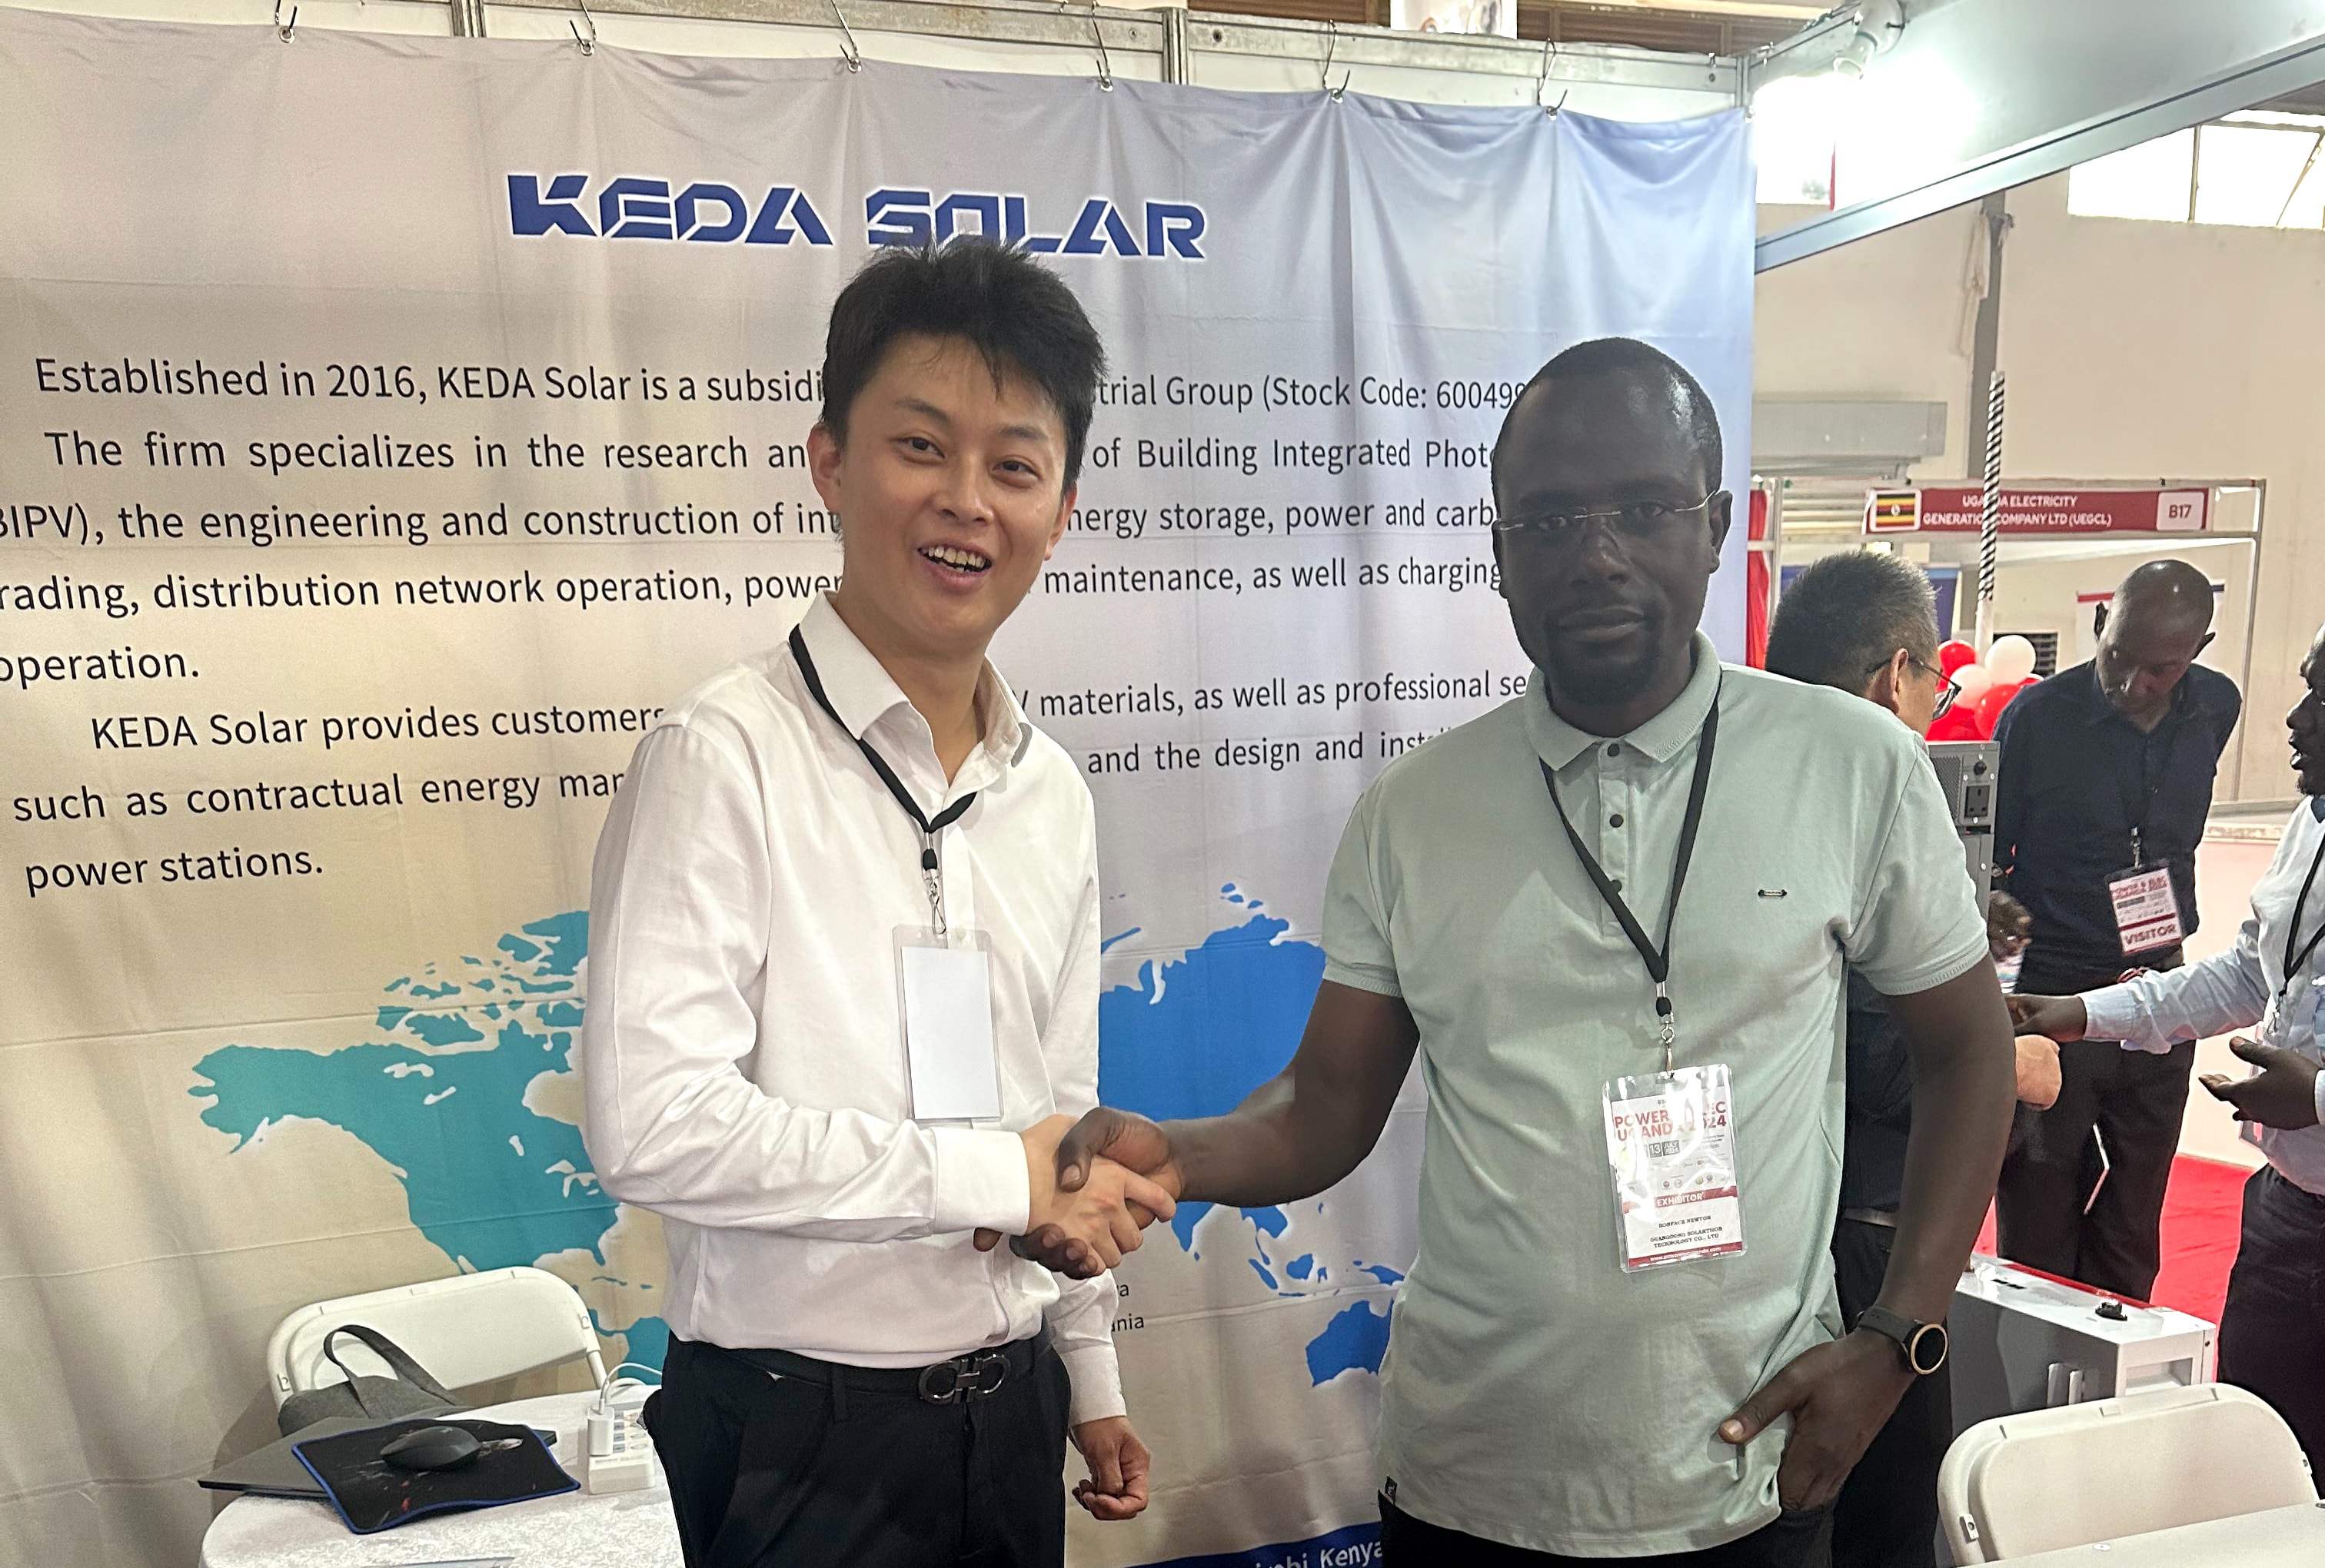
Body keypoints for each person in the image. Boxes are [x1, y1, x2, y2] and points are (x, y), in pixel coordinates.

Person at [1019, 338, 2020, 1566]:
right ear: (1498, 555)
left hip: (1746, 1475)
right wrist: (1178, 1154)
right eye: (1548, 521)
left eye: (1643, 509)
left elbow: (1971, 1052)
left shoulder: (1855, 767)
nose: (1596, 554)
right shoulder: (1412, 814)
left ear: (1714, 528)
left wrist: (1899, 1336)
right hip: (1471, 1483)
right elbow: (1324, 1108)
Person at [578, 241, 1176, 1568]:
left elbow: (1059, 1105)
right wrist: (991, 1176)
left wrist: (1089, 1375)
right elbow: (652, 1125)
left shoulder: (1049, 790)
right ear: (831, 463)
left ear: (1060, 511)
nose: (965, 501)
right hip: (795, 1444)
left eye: (1013, 466)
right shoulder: (722, 754)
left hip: (1009, 1413)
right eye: (920, 446)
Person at [1764, 550, 2063, 1568]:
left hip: (1769, 1227)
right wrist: (2009, 1057)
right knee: (1878, 1520)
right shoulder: (1873, 787)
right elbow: (1888, 1061)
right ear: (1900, 676)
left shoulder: (1740, 785)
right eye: (1935, 682)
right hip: (1871, 1242)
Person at [2011, 620, 2325, 1468]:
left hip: (2297, 1186)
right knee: (2263, 1461)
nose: (2294, 718)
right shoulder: (2311, 822)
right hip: (2288, 1210)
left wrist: (2316, 1096)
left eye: (2322, 699)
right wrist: (2077, 1013)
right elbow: (2248, 974)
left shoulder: (2210, 708)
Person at [1991, 561, 2244, 1301]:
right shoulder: (2038, 718)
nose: (2133, 684)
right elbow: (1986, 852)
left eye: (2161, 670)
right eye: (2119, 658)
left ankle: (2119, 1347)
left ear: (2199, 651)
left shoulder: (2215, 707)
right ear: (2101, 624)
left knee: (2135, 1208)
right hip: (2052, 992)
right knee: (2039, 1206)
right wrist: (1995, 903)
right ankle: (2030, 1348)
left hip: (2162, 987)